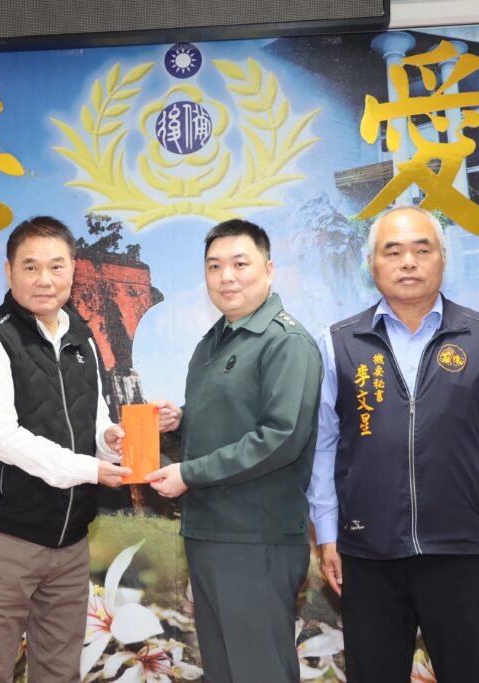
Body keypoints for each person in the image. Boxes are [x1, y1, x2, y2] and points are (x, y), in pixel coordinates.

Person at [307, 205, 479, 682]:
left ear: (443, 258)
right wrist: (329, 534)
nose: (408, 262)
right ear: (372, 264)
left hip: (462, 552)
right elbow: (323, 447)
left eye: (422, 250)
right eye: (392, 251)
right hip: (367, 554)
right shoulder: (337, 344)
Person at [0, 216, 131, 682]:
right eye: (30, 267)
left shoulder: (83, 336)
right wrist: (91, 470)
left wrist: (109, 441)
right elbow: (4, 439)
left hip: (70, 540)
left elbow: (94, 416)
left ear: (73, 270)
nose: (44, 279)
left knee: (58, 670)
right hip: (3, 539)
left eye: (56, 266)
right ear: (9, 272)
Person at [146, 219, 322, 683]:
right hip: (210, 533)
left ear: (269, 269)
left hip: (255, 538)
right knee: (224, 671)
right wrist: (180, 419)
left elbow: (280, 437)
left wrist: (189, 474)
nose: (226, 276)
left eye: (240, 264)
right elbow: (231, 417)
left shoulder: (286, 342)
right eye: (214, 266)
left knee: (259, 671)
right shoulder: (214, 342)